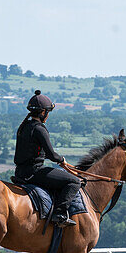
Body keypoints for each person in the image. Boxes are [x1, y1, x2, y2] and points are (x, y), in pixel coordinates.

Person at [13, 90, 82, 226]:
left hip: (20, 171)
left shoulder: (25, 126)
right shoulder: (39, 129)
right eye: (48, 112)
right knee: (74, 182)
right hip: (34, 172)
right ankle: (60, 213)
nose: (48, 115)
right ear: (43, 112)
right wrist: (61, 160)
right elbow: (51, 154)